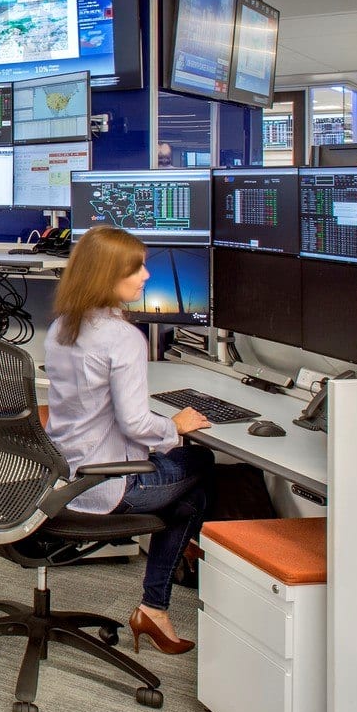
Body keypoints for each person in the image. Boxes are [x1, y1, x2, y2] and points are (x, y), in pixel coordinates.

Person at [43, 226, 215, 655]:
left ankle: (163, 592)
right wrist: (176, 425)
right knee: (202, 469)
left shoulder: (62, 326)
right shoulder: (122, 338)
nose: (145, 277)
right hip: (107, 485)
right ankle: (157, 601)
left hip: (65, 478)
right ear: (105, 276)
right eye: (135, 269)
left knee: (185, 499)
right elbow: (137, 424)